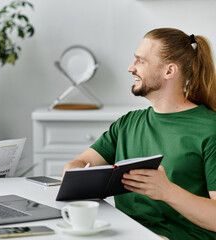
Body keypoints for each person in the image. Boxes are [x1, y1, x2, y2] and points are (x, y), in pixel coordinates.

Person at [63, 28, 216, 240]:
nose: (130, 68)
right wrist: (80, 180)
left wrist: (167, 191)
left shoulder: (210, 129)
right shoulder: (128, 123)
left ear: (169, 71)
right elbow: (78, 164)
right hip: (123, 233)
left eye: (140, 61)